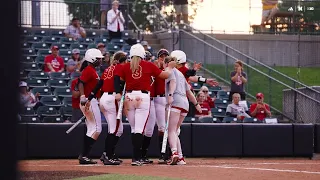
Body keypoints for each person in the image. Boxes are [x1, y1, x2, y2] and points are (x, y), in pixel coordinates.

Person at [115, 44, 175, 166]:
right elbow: (165, 75)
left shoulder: (126, 66)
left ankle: (136, 157)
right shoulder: (148, 65)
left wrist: (117, 92)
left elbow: (118, 80)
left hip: (129, 97)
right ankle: (137, 158)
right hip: (143, 97)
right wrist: (169, 67)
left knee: (133, 128)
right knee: (139, 129)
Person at [164, 54, 201, 165]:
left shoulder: (169, 70)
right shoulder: (181, 74)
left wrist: (170, 95)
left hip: (175, 100)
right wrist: (196, 104)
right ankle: (180, 157)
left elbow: (173, 83)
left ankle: (174, 152)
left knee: (171, 130)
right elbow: (189, 92)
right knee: (175, 131)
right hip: (185, 103)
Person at [98, 51, 127, 165]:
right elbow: (117, 81)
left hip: (104, 97)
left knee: (118, 130)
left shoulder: (108, 69)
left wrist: (91, 96)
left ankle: (109, 153)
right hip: (111, 98)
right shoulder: (119, 67)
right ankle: (107, 155)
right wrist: (117, 91)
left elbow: (100, 83)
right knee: (114, 129)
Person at [77, 48, 104, 164]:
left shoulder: (92, 70)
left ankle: (84, 155)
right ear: (92, 59)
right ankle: (84, 155)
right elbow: (80, 83)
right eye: (98, 59)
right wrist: (83, 96)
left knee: (91, 129)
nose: (100, 61)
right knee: (97, 129)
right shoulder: (89, 69)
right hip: (89, 101)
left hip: (91, 100)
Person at [153, 48, 170, 164]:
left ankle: (173, 152)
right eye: (161, 56)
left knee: (172, 128)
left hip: (169, 99)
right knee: (161, 128)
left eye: (165, 56)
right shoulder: (155, 68)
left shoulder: (171, 69)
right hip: (158, 98)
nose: (163, 58)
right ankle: (163, 154)